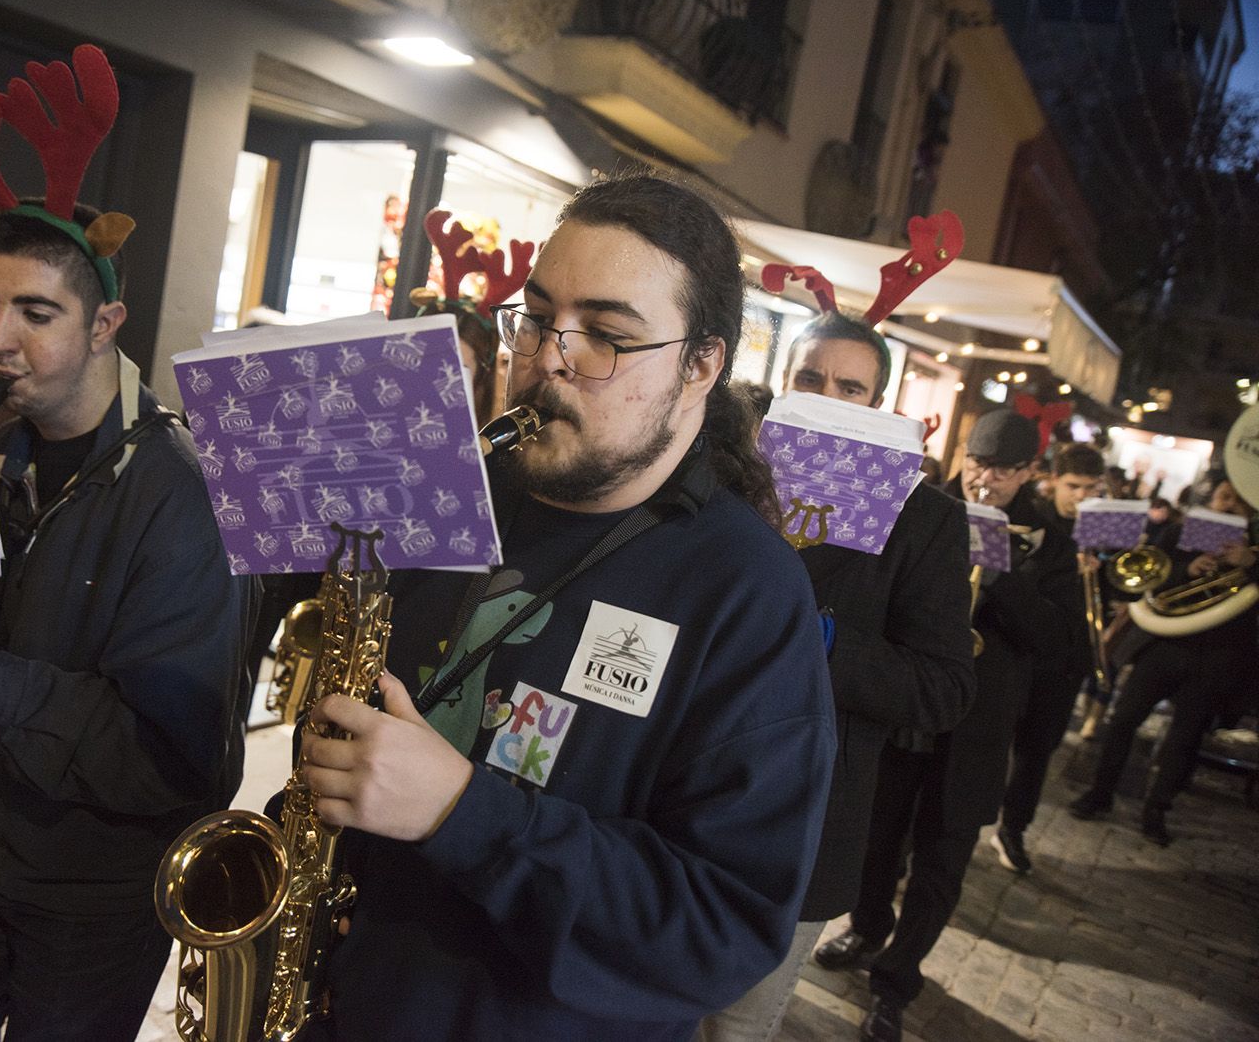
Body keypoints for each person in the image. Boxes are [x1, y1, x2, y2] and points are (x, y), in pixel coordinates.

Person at [294, 174, 836, 1041]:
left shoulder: (750, 594)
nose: (548, 358)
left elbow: (723, 933)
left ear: (702, 365)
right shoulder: (458, 497)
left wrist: (461, 813)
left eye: (606, 336)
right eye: (537, 317)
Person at [0, 46, 257, 1040]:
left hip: (93, 896)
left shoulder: (187, 497)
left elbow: (179, 762)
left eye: (37, 312)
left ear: (106, 320)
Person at [694, 313, 977, 1042]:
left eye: (851, 387)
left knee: (737, 1025)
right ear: (782, 389)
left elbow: (943, 688)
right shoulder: (722, 474)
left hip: (802, 818)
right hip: (677, 787)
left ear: (878, 406)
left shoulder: (926, 518)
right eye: (811, 379)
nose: (830, 396)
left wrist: (822, 639)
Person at [816, 409, 1078, 1042]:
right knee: (878, 837)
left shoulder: (1051, 540)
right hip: (909, 713)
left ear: (1030, 472)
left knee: (941, 858)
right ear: (964, 454)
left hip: (980, 724)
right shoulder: (923, 508)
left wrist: (1005, 570)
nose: (987, 481)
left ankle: (895, 982)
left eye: (1005, 471)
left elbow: (1057, 642)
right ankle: (867, 926)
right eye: (980, 464)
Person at [1069, 474, 1257, 845]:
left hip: (1218, 655)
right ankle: (1100, 792)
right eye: (1224, 496)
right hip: (1166, 644)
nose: (1229, 504)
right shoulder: (1178, 534)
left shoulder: (1255, 548)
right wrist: (1188, 569)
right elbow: (1151, 577)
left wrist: (1248, 563)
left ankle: (1157, 810)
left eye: (1239, 500)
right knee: (1123, 720)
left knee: (1183, 738)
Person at [991, 443, 1102, 873]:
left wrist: (1105, 573)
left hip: (1067, 659)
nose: (1080, 496)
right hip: (1024, 652)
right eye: (1073, 486)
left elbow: (1125, 593)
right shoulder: (1033, 522)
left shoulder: (1106, 531)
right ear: (1053, 479)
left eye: (1090, 488)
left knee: (1038, 751)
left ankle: (1013, 828)